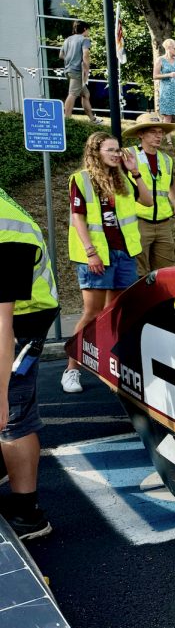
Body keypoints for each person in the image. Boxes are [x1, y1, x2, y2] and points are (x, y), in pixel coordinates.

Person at [61, 132, 153, 394]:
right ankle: (71, 370)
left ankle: (110, 365)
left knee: (115, 312)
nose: (116, 154)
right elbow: (78, 218)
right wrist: (91, 252)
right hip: (97, 256)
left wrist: (135, 172)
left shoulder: (122, 177)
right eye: (110, 150)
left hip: (124, 254)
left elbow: (147, 201)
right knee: (92, 312)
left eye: (117, 149)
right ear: (96, 153)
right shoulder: (81, 179)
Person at [0, 187, 60, 540]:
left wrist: (0, 394)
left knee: (12, 416)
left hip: (23, 322)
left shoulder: (7, 232)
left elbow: (2, 324)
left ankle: (28, 514)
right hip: (15, 317)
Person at [122, 113, 175, 275]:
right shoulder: (127, 155)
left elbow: (170, 182)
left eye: (161, 132)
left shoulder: (167, 159)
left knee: (165, 272)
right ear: (141, 134)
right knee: (137, 272)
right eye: (153, 132)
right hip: (138, 221)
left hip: (163, 223)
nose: (159, 136)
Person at [59, 20, 97, 124]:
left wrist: (71, 59)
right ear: (85, 29)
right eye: (88, 30)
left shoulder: (67, 40)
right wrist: (86, 69)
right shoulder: (85, 39)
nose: (88, 32)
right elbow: (85, 54)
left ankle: (92, 119)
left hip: (68, 70)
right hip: (77, 71)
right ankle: (66, 119)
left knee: (85, 94)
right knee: (72, 94)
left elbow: (61, 55)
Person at [153, 39, 175, 145]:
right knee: (167, 116)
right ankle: (168, 140)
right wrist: (168, 75)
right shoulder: (160, 60)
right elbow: (155, 76)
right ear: (168, 47)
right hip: (167, 90)